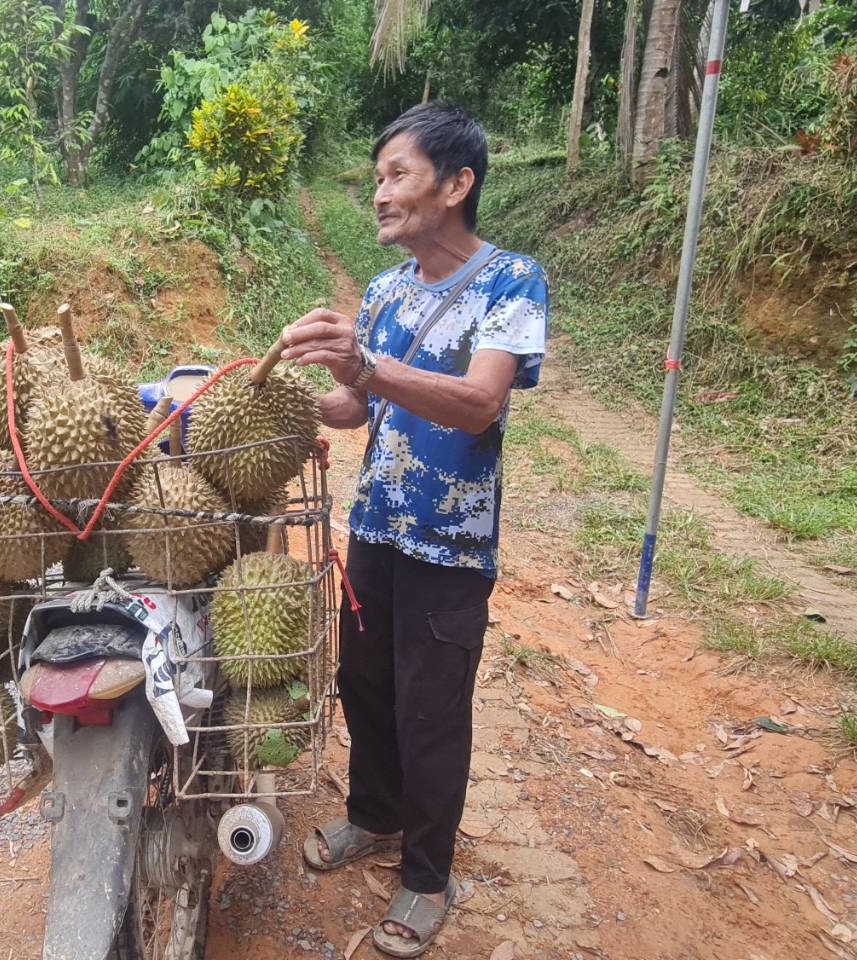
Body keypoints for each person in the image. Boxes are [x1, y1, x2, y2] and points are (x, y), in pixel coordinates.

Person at [280, 102, 548, 958]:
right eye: (376, 181)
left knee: (431, 707)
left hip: (450, 541)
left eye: (396, 176)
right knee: (363, 680)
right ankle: (373, 816)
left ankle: (429, 875)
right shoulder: (388, 290)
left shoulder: (511, 281)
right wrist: (281, 403)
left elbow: (476, 405)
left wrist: (366, 366)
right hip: (378, 526)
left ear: (456, 182)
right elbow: (357, 407)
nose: (380, 196)